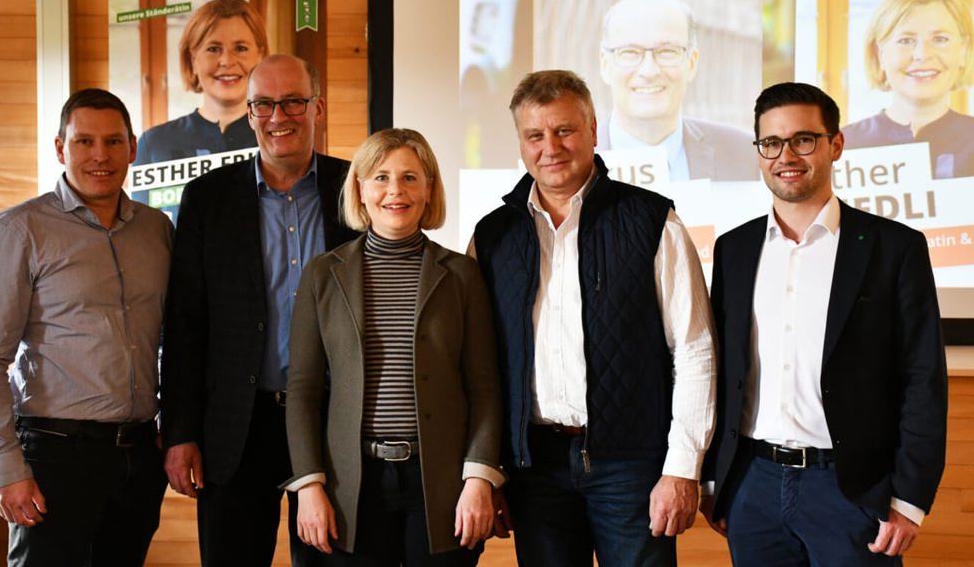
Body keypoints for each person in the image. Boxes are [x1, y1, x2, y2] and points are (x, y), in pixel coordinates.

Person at [471, 69, 717, 566]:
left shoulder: (652, 222)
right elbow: (481, 366)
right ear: (520, 143)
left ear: (593, 130)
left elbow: (695, 350)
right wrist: (489, 470)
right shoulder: (492, 236)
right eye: (534, 135)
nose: (551, 147)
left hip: (632, 464)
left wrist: (682, 468)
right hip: (534, 466)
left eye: (565, 130)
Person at [701, 82, 948, 565]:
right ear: (758, 153)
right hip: (753, 485)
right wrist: (717, 479)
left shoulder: (894, 248)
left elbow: (923, 379)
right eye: (770, 143)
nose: (785, 155)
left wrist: (909, 499)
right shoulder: (734, 249)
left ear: (836, 145)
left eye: (803, 139)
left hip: (853, 491)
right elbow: (721, 371)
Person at [0, 88, 173, 566]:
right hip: (53, 458)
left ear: (133, 148)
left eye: (114, 142)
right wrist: (5, 467)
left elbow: (174, 339)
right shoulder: (19, 230)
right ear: (61, 148)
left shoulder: (157, 230)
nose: (101, 156)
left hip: (138, 458)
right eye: (84, 142)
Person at [160, 54, 358, 567]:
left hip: (331, 424)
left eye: (293, 101)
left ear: (317, 107)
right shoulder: (208, 199)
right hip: (235, 429)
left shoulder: (357, 188)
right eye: (264, 104)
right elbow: (185, 324)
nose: (278, 116)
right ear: (249, 113)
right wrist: (180, 432)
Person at [286, 128, 504, 566]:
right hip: (352, 485)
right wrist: (309, 485)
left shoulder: (461, 275)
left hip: (442, 484)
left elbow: (484, 386)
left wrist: (480, 477)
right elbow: (304, 389)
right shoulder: (322, 275)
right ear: (361, 190)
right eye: (381, 177)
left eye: (409, 177)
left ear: (428, 190)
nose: (395, 190)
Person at [597, 0, 755, 181]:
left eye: (667, 52)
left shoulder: (747, 156)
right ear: (605, 65)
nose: (649, 71)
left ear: (692, 62)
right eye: (629, 52)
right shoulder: (566, 160)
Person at [843, 0, 974, 179]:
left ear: (963, 51)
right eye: (905, 40)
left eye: (940, 39)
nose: (922, 54)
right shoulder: (843, 146)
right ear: (880, 54)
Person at [134, 0, 268, 164]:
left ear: (260, 57)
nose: (227, 61)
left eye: (241, 48)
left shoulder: (278, 140)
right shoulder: (154, 145)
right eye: (213, 49)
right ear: (193, 60)